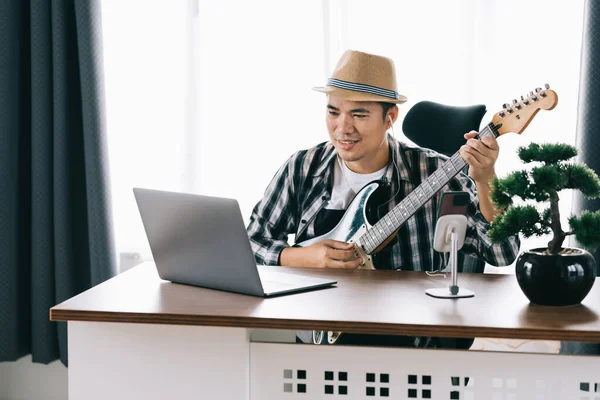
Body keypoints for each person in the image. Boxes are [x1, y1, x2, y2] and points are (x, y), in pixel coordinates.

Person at [246, 49, 520, 346]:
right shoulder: (302, 168)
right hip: (316, 344)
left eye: (359, 114)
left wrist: (486, 178)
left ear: (390, 117)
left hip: (408, 349)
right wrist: (304, 257)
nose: (343, 128)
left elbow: (502, 252)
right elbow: (251, 243)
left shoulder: (436, 173)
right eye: (333, 112)